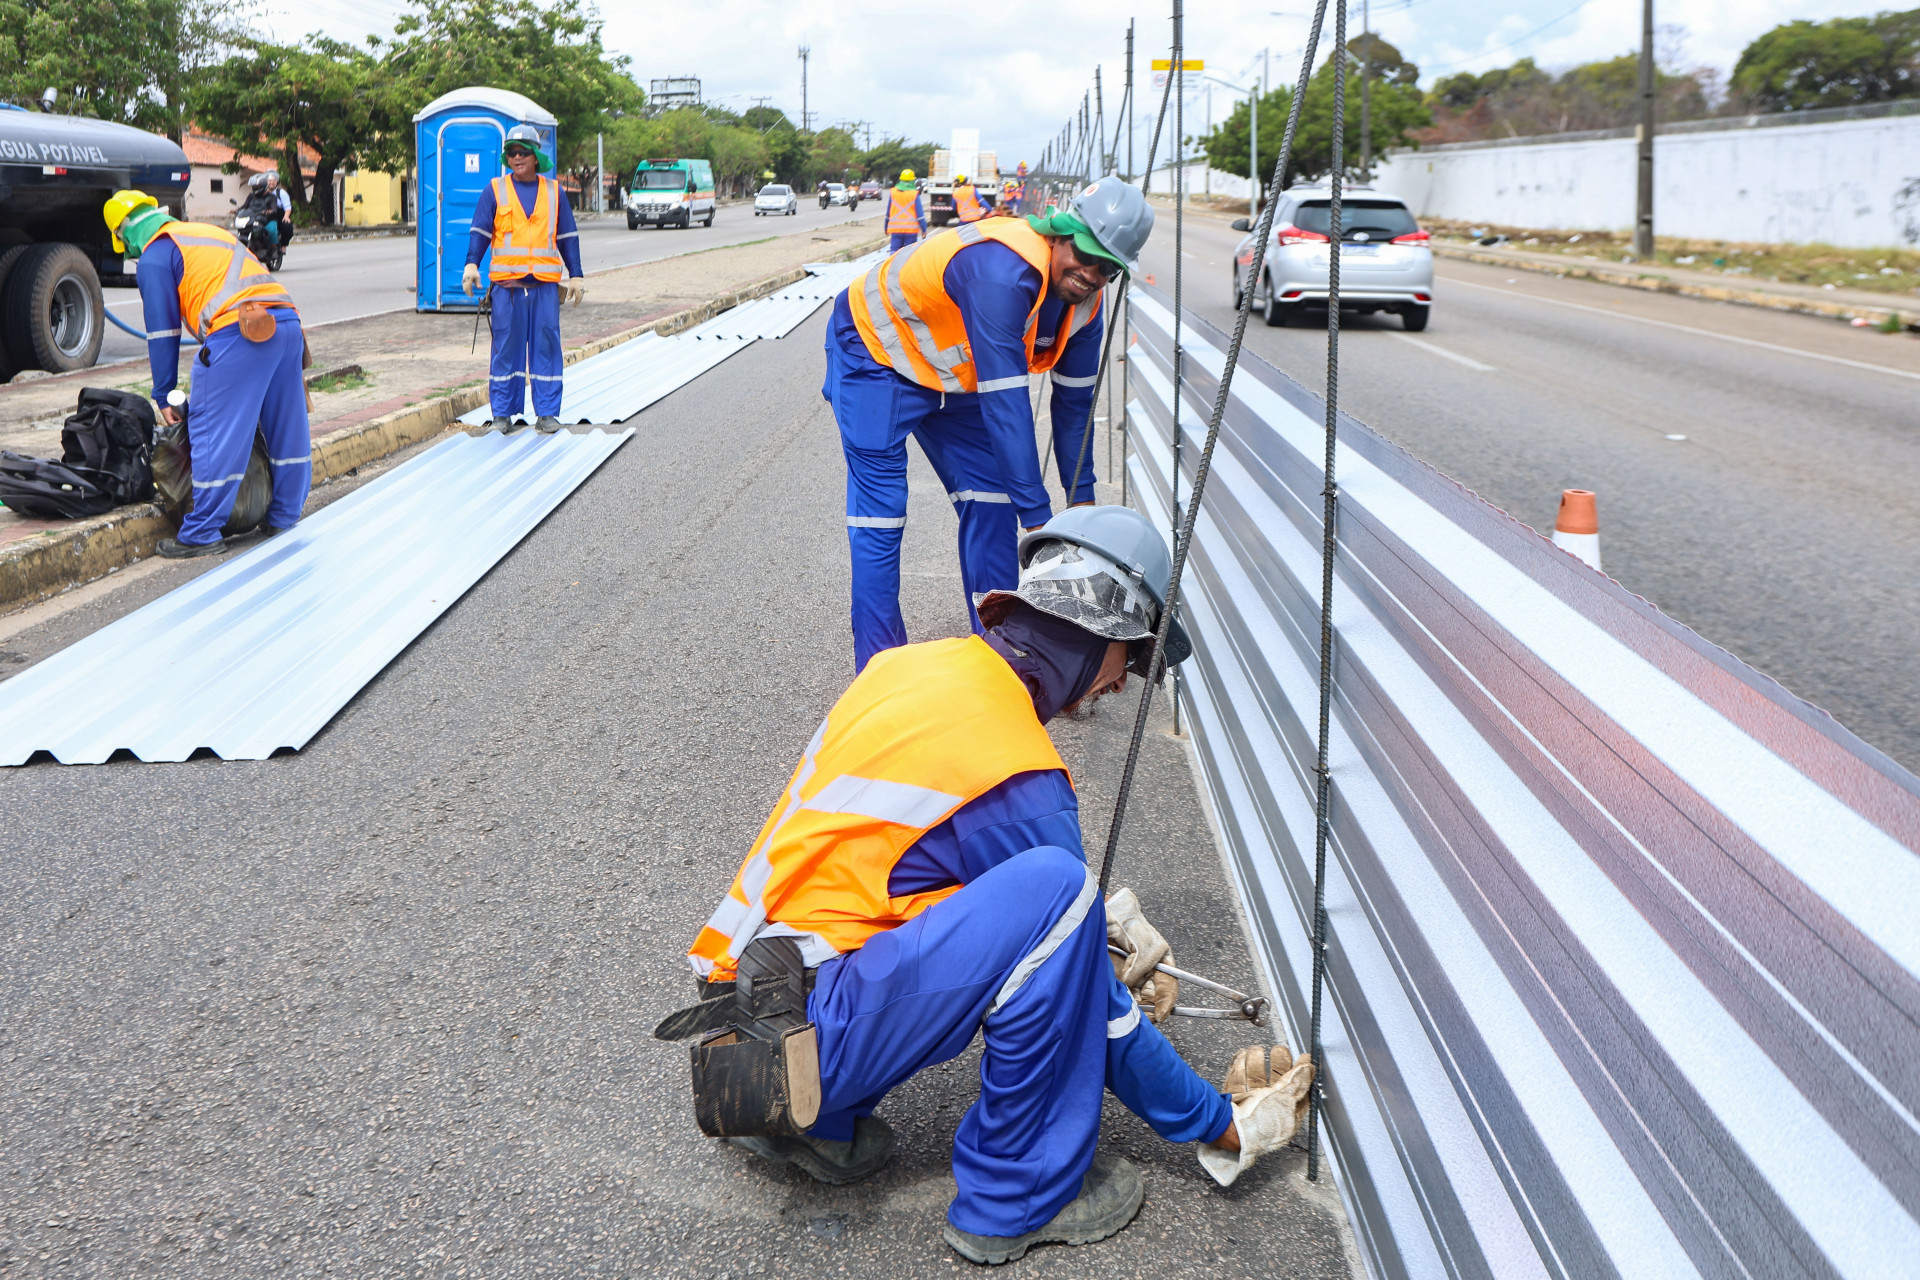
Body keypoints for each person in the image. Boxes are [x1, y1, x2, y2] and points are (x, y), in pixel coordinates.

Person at [671, 505, 1314, 1265]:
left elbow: (904, 870)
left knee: (1056, 906)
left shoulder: (916, 669)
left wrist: (1090, 934)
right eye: (1128, 660)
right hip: (809, 1036)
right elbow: (1100, 1009)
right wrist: (1223, 1126)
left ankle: (806, 1123)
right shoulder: (1016, 770)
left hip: (743, 1013)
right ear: (1098, 637)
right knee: (1061, 892)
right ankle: (1017, 1197)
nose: (1120, 684)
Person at [822, 175, 1151, 671]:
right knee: (882, 517)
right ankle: (880, 669)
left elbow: (1074, 409)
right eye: (1084, 254)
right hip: (875, 358)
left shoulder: (1085, 308)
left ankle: (999, 659)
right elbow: (1006, 405)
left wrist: (1083, 512)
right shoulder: (1002, 269)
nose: (1090, 273)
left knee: (994, 503)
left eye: (1107, 268)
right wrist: (1042, 523)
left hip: (953, 378)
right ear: (1061, 232)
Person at [101, 189, 309, 559]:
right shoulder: (199, 233)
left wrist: (164, 393)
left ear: (124, 233)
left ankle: (202, 531)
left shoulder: (155, 254)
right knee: (287, 426)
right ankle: (284, 514)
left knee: (213, 428)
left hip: (239, 331)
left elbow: (163, 332)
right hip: (288, 324)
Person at [461, 125, 587, 434]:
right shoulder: (495, 189)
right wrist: (471, 265)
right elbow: (480, 231)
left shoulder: (554, 192)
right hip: (508, 289)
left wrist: (577, 275)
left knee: (546, 347)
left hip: (544, 287)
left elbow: (567, 236)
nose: (517, 158)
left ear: (535, 157)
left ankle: (547, 414)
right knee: (505, 349)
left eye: (523, 153)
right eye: (512, 153)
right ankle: (502, 414)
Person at [884, 167, 926, 250]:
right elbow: (920, 215)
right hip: (911, 230)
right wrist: (924, 229)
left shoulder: (893, 192)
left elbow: (888, 213)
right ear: (912, 181)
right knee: (909, 254)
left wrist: (886, 227)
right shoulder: (914, 194)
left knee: (894, 253)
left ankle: (894, 263)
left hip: (895, 229)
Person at [263, 171, 293, 247]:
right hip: (265, 216)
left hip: (279, 215)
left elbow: (287, 207)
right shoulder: (262, 192)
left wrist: (286, 217)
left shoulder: (281, 193)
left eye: (274, 181)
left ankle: (283, 245)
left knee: (287, 227)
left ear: (277, 182)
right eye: (269, 181)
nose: (271, 183)